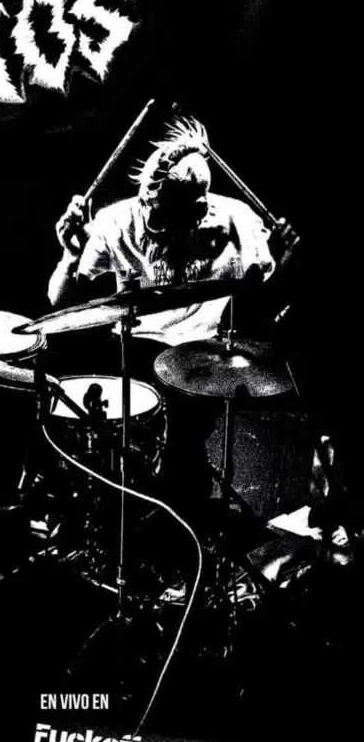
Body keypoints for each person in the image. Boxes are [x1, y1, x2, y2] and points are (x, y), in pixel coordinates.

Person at [45, 115, 294, 534]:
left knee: (179, 447)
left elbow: (268, 305)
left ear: (199, 208)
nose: (153, 224)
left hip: (204, 357)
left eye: (166, 216)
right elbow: (59, 304)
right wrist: (69, 255)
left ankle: (176, 534)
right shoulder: (118, 220)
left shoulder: (238, 221)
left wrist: (286, 264)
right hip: (135, 348)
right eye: (150, 209)